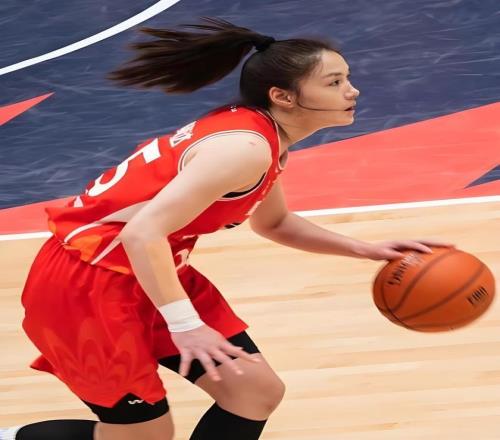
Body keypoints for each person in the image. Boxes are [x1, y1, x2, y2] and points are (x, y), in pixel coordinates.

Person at [0, 17, 454, 440]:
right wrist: (185, 325)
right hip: (86, 285)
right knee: (146, 437)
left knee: (254, 392)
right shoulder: (243, 149)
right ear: (283, 96)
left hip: (152, 270)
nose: (352, 91)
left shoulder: (263, 137)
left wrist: (366, 249)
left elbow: (274, 223)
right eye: (334, 82)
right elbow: (141, 233)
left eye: (346, 78)